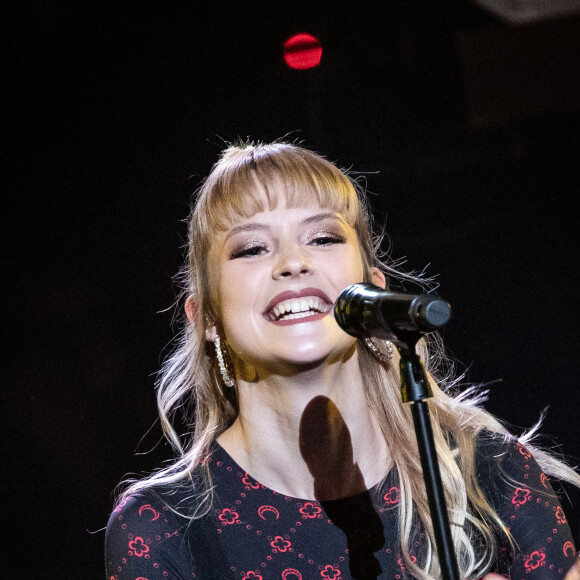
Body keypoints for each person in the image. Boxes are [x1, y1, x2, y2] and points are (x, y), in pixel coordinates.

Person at [105, 141, 580, 579]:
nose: (293, 262)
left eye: (323, 239)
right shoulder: (164, 528)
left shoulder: (489, 474)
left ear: (371, 288)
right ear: (206, 317)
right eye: (252, 248)